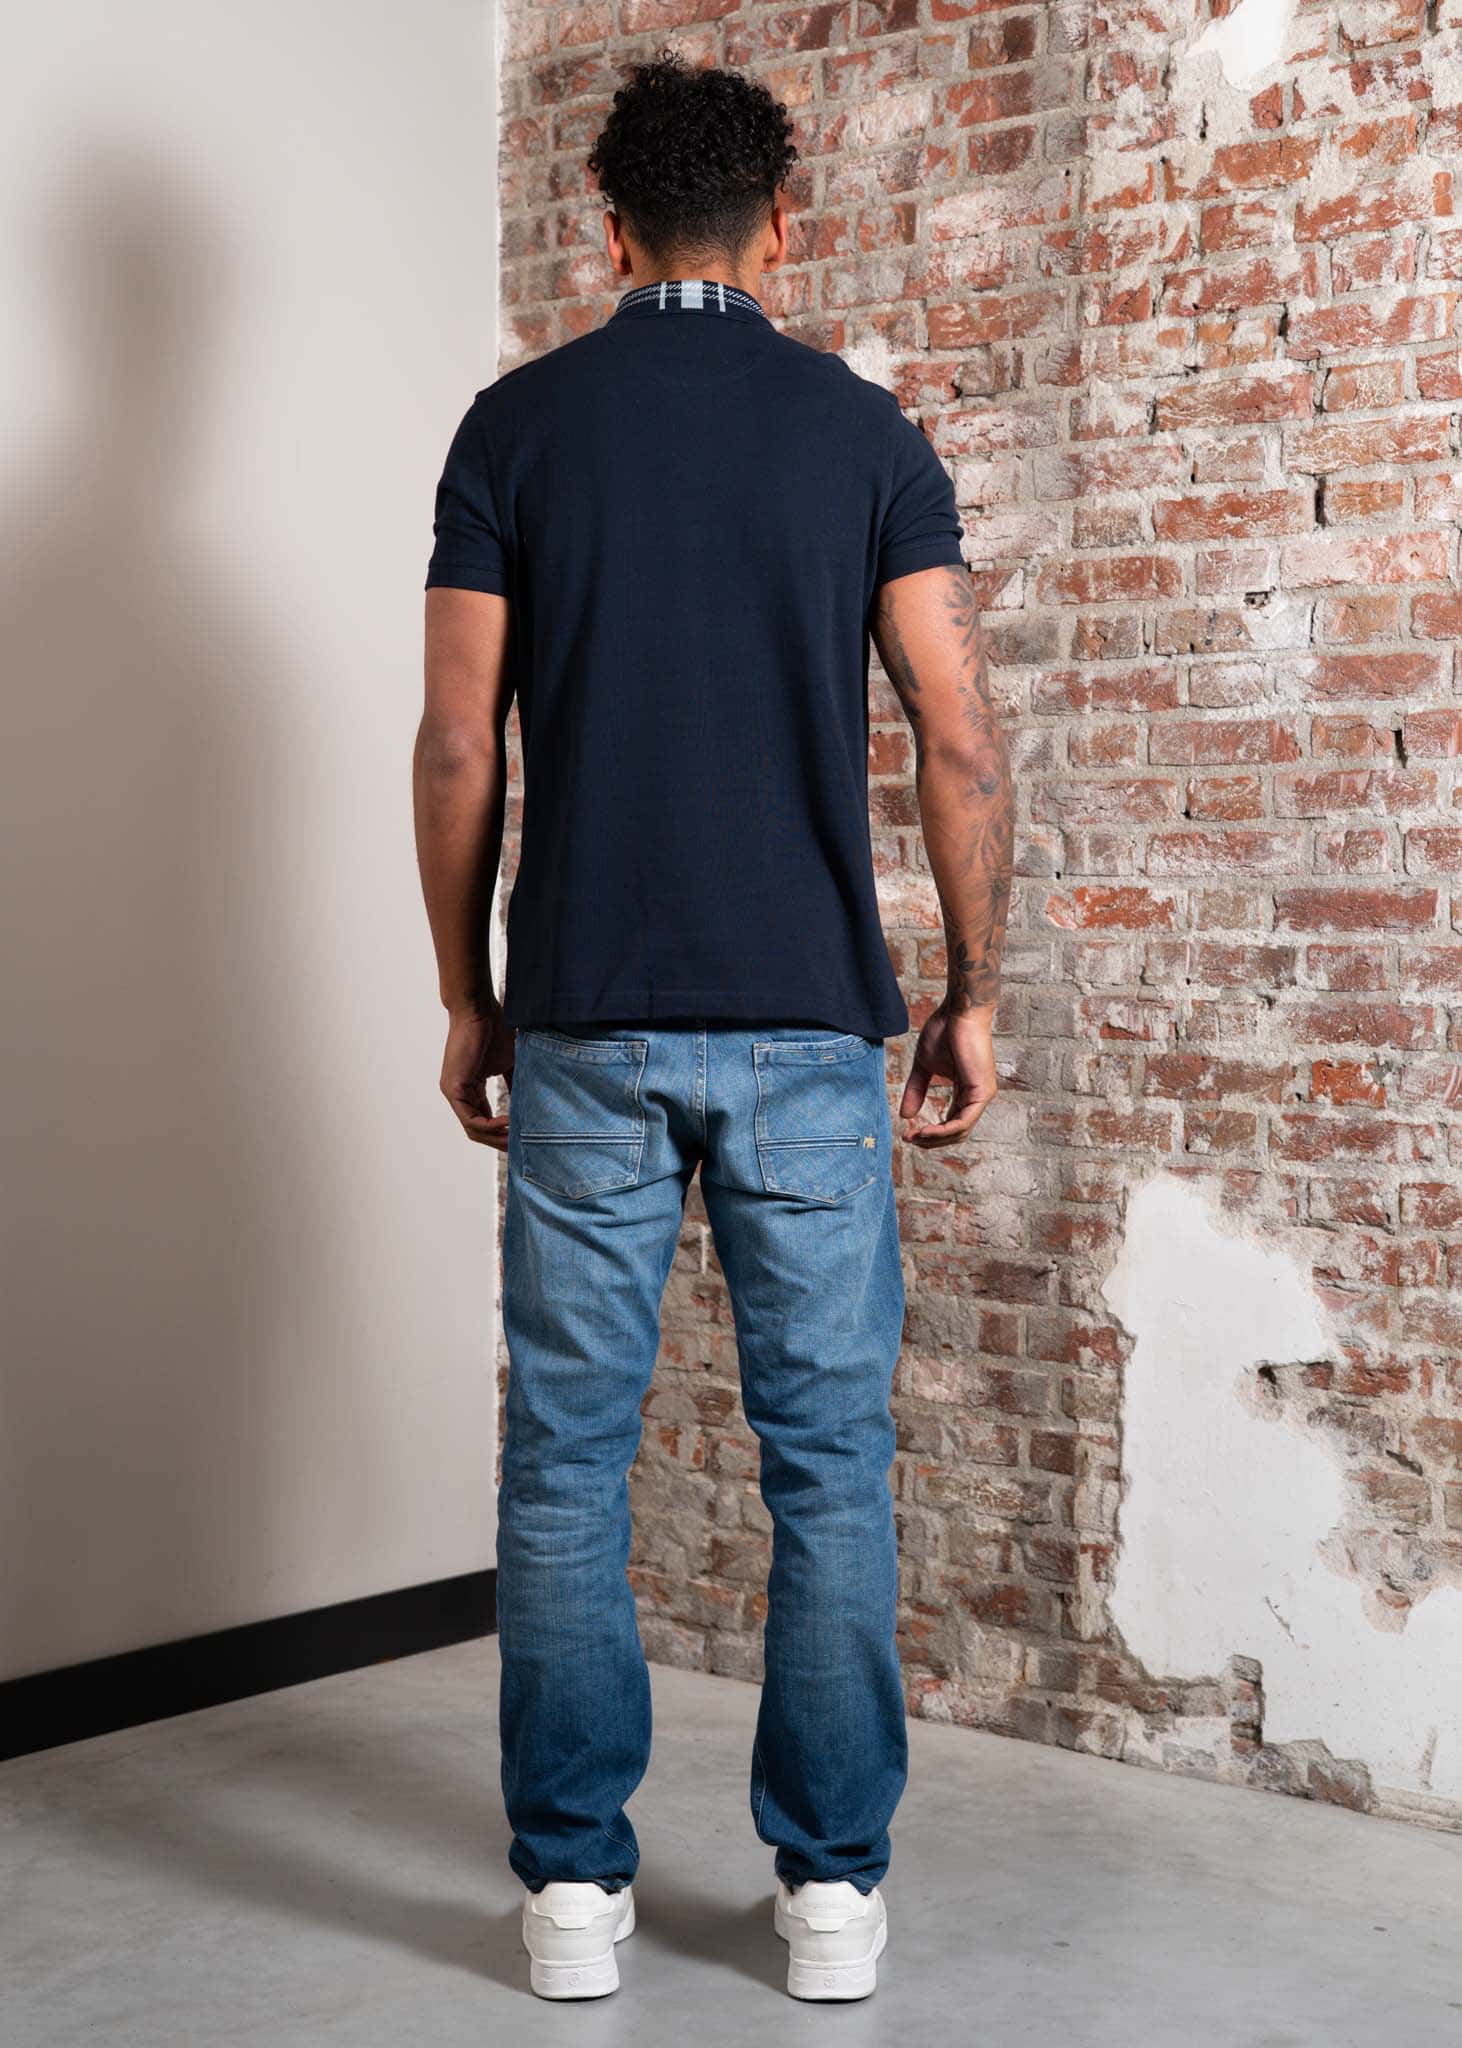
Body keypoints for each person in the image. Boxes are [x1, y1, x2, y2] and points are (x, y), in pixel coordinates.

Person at [413, 51, 1013, 2005]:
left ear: (607, 232)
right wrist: (971, 991)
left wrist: (467, 991)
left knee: (563, 1463)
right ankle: (828, 1892)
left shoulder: (516, 428)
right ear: (781, 229)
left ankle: (572, 1896)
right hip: (805, 1025)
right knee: (826, 1462)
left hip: (583, 1017)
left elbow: (455, 742)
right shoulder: (863, 435)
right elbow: (958, 739)